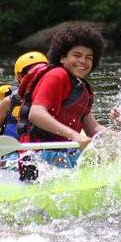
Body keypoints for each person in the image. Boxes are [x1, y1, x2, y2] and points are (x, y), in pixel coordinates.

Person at [16, 25, 106, 168]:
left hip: (63, 153)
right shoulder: (57, 75)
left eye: (88, 57)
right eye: (77, 55)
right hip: (36, 156)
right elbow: (36, 114)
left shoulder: (82, 88)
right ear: (63, 57)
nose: (83, 61)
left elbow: (94, 129)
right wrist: (75, 135)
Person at [0, 51, 48, 138]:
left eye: (41, 74)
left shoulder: (55, 99)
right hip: (12, 149)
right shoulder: (8, 102)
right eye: (32, 75)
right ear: (20, 78)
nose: (36, 79)